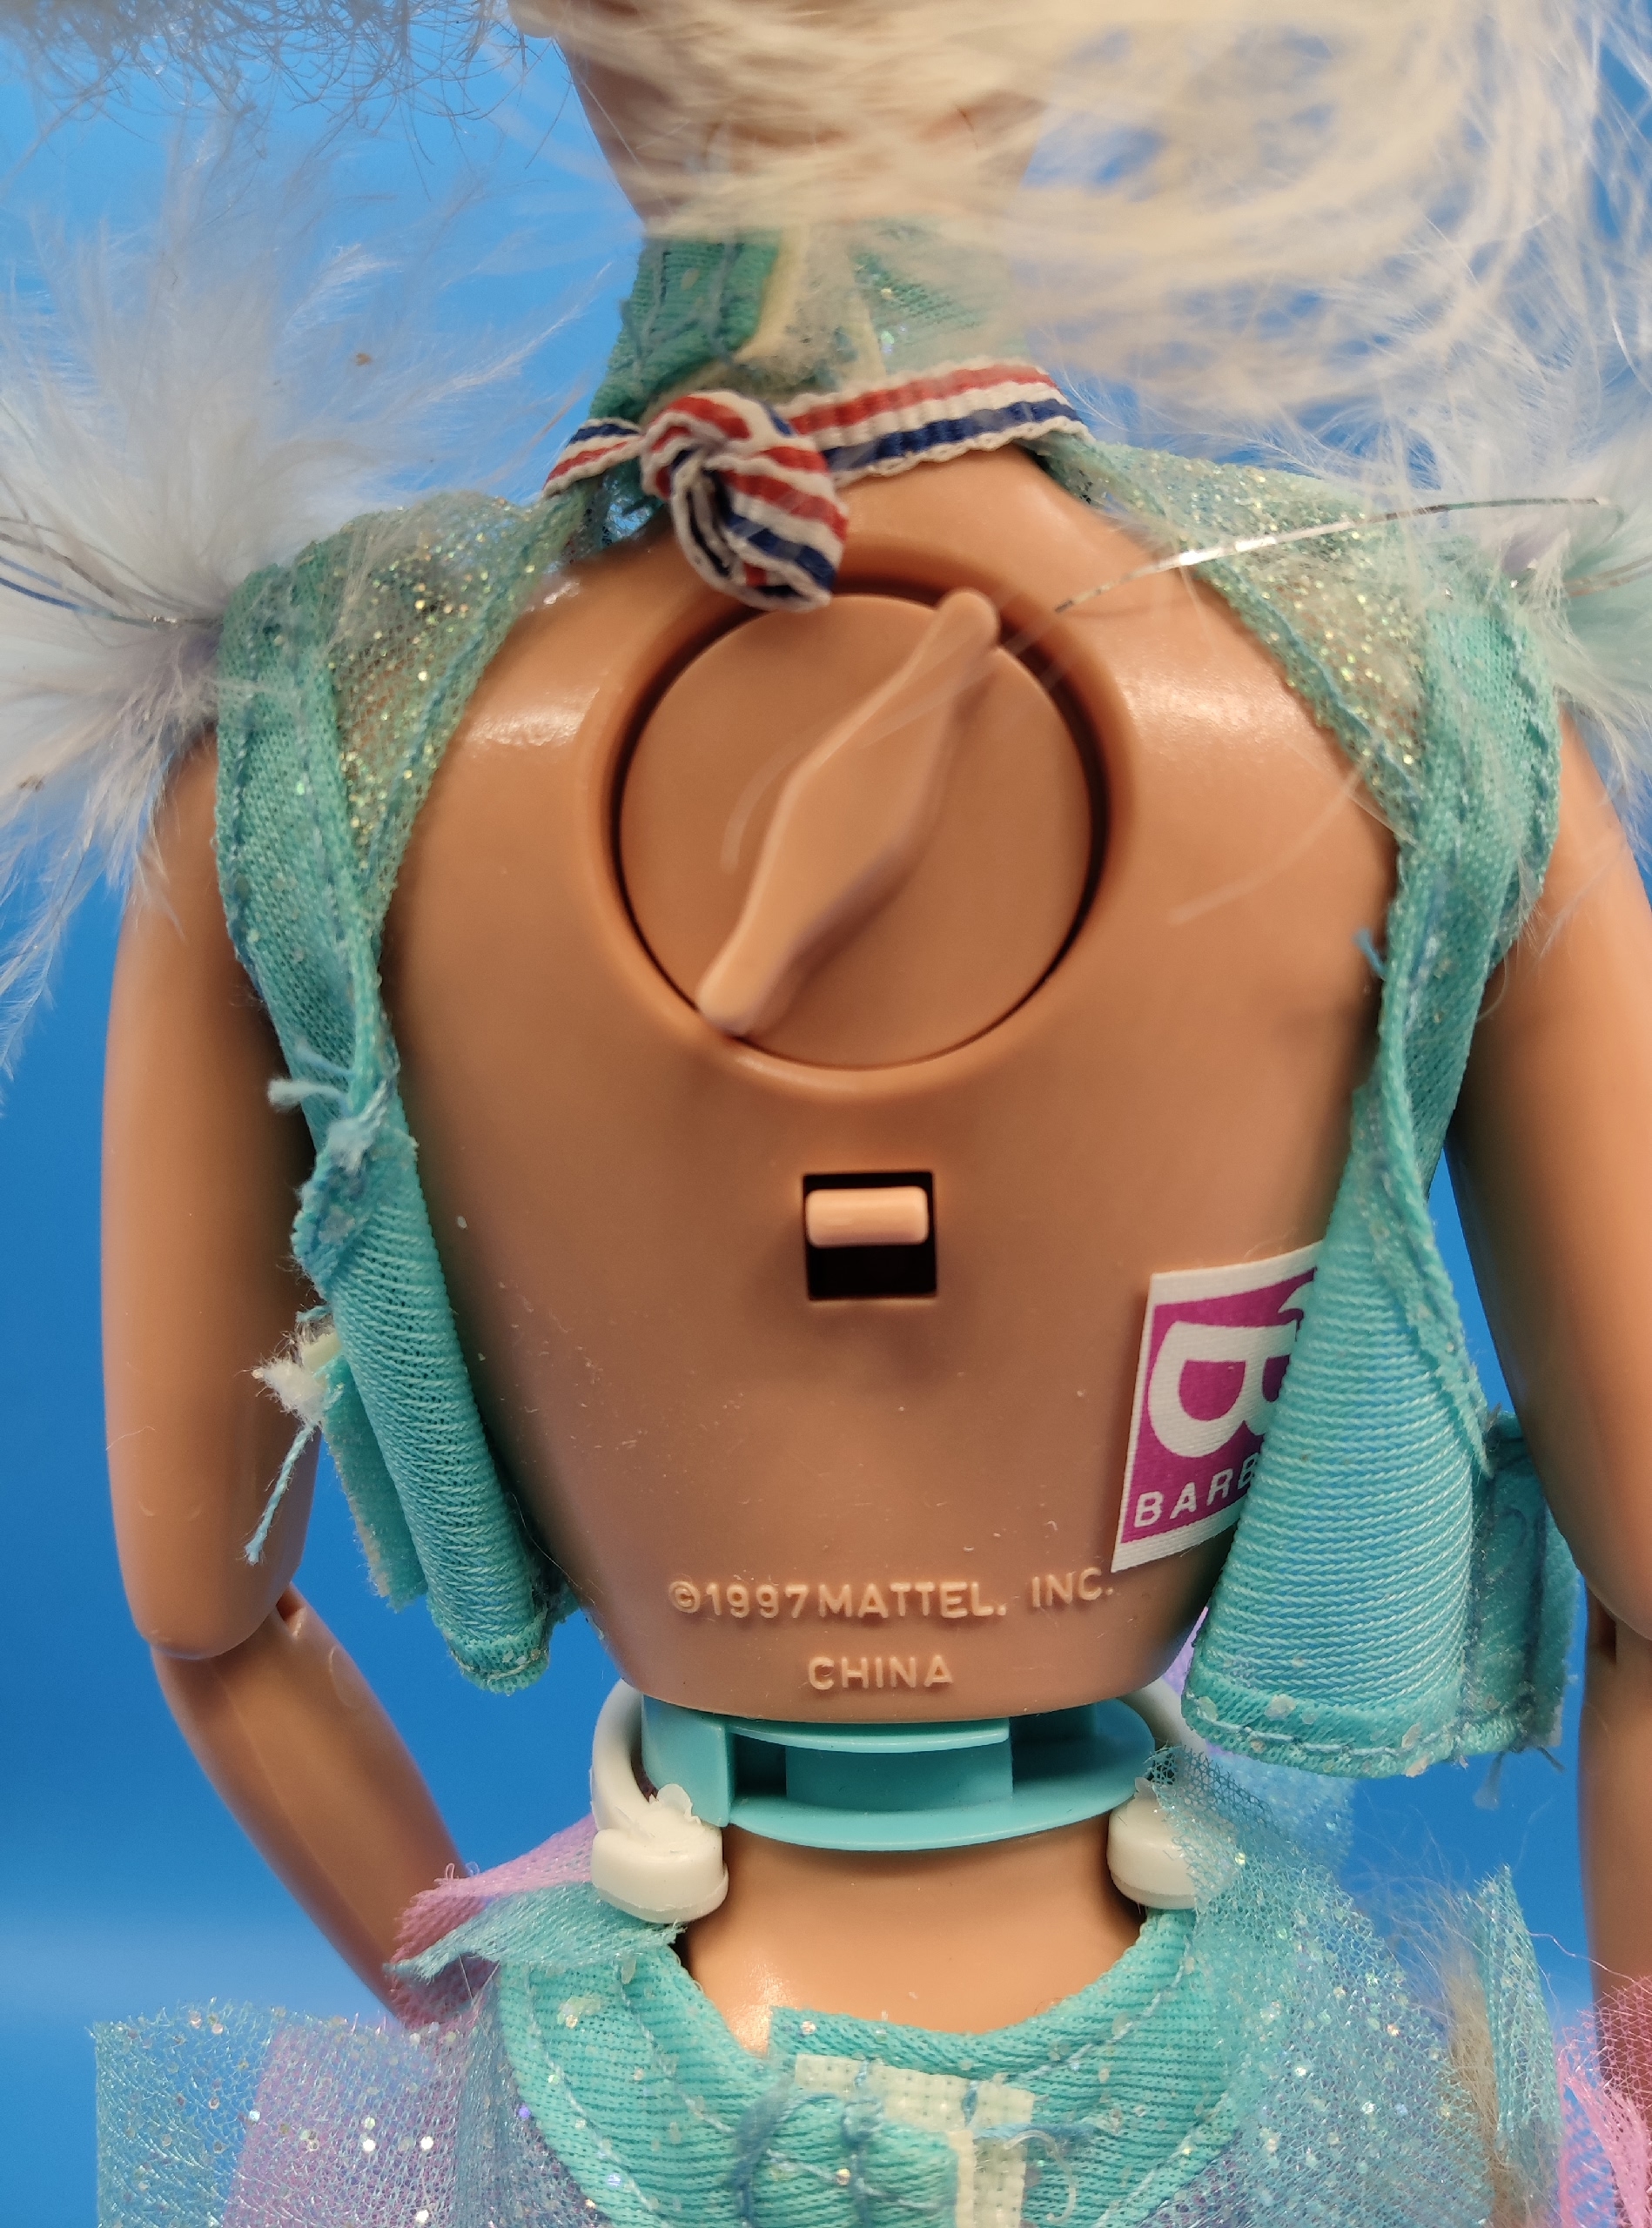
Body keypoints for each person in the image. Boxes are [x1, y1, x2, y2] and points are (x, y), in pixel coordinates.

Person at [10, 2, 1652, 2219]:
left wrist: (463, 2032)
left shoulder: (319, 743)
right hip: (1235, 2070)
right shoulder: (1412, 695)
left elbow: (206, 1617)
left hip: (640, 2042)